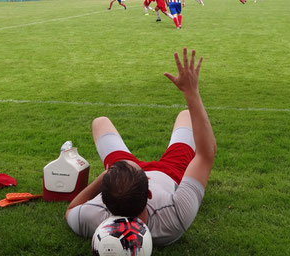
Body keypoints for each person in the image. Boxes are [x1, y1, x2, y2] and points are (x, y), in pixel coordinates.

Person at [65, 48, 216, 246]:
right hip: (170, 172)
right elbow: (206, 154)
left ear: (103, 201)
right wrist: (191, 93)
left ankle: (121, 172)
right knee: (186, 115)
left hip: (122, 172)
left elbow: (70, 210)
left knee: (100, 122)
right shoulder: (176, 215)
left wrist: (107, 176)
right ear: (150, 193)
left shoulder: (94, 217)